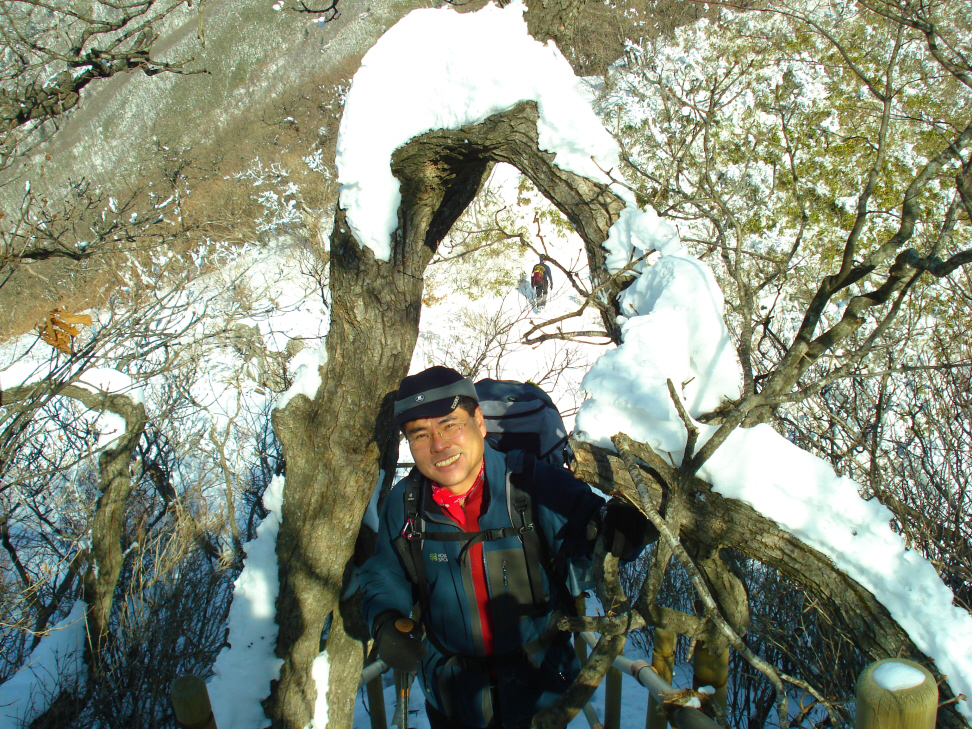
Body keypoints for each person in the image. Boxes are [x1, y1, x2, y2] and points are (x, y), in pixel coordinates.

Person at [359, 366, 651, 729]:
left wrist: (626, 529)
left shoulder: (535, 485)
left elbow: (597, 533)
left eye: (451, 424)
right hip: (453, 699)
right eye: (421, 434)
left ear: (479, 421)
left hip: (542, 694)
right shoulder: (406, 504)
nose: (438, 445)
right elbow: (385, 572)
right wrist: (386, 621)